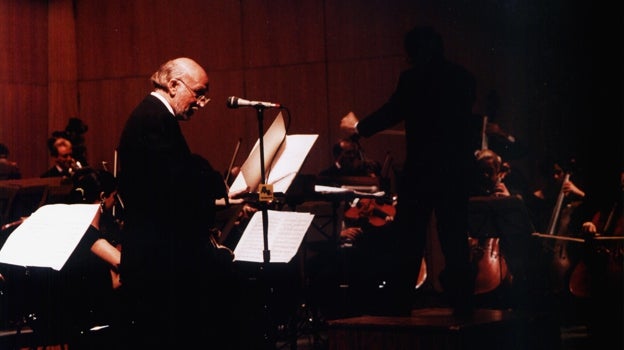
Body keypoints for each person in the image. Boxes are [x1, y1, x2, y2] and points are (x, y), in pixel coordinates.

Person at [339, 26, 478, 316]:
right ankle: (464, 306)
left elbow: (392, 111)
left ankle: (399, 307)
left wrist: (359, 128)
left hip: (422, 172)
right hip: (455, 172)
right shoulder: (463, 78)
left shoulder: (413, 78)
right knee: (454, 238)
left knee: (410, 238)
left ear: (415, 52)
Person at [116, 57, 237, 348]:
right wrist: (217, 190)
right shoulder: (155, 119)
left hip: (156, 256)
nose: (201, 103)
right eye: (198, 93)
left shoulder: (154, 116)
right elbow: (175, 185)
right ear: (173, 85)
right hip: (159, 262)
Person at [24, 167, 122, 348]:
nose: (115, 203)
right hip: (86, 317)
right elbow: (120, 270)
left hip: (55, 313)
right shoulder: (90, 234)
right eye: (114, 196)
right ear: (102, 196)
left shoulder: (62, 225)